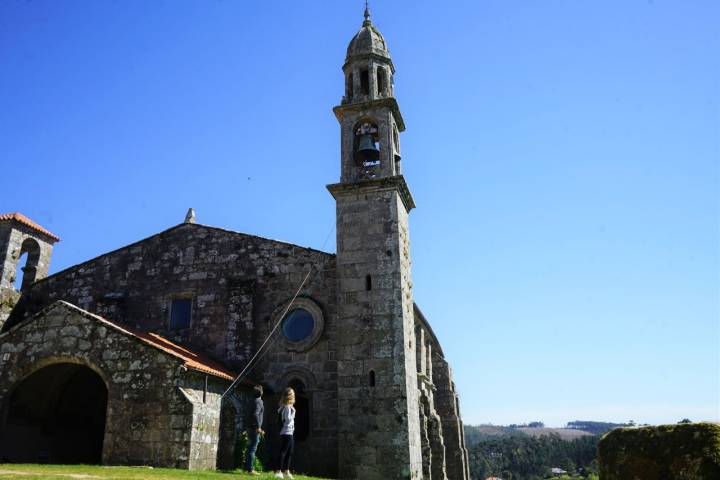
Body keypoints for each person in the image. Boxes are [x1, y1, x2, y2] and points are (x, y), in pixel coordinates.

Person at [274, 387, 296, 479]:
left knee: (289, 452)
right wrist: (293, 413)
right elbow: (287, 420)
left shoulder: (287, 406)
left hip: (289, 432)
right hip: (286, 432)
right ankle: (278, 471)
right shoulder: (287, 407)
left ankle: (286, 471)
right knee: (283, 451)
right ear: (290, 396)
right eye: (292, 394)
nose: (294, 395)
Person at [245, 385, 264, 475]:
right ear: (261, 393)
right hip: (254, 429)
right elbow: (256, 414)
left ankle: (248, 468)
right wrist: (258, 427)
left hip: (249, 427)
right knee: (252, 449)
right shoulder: (259, 402)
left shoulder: (250, 401)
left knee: (249, 449)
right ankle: (251, 470)